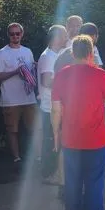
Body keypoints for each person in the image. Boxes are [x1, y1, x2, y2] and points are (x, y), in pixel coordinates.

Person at [52, 35, 105, 210]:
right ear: (91, 52)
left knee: (72, 180)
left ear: (72, 52)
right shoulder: (99, 74)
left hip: (70, 138)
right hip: (96, 139)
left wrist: (56, 134)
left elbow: (55, 109)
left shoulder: (62, 75)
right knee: (94, 181)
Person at [0, 23, 39, 163]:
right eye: (12, 34)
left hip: (28, 97)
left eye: (17, 33)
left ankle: (34, 157)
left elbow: (31, 72)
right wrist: (15, 72)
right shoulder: (2, 53)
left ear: (22, 34)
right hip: (10, 99)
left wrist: (37, 66)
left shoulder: (27, 51)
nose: (15, 36)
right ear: (8, 35)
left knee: (33, 129)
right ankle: (16, 158)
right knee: (12, 130)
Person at [37, 25, 68, 183]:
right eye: (64, 35)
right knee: (52, 141)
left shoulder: (56, 54)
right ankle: (50, 174)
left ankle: (55, 173)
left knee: (56, 140)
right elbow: (46, 80)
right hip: (50, 107)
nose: (67, 38)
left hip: (55, 105)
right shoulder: (48, 56)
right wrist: (68, 83)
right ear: (56, 38)